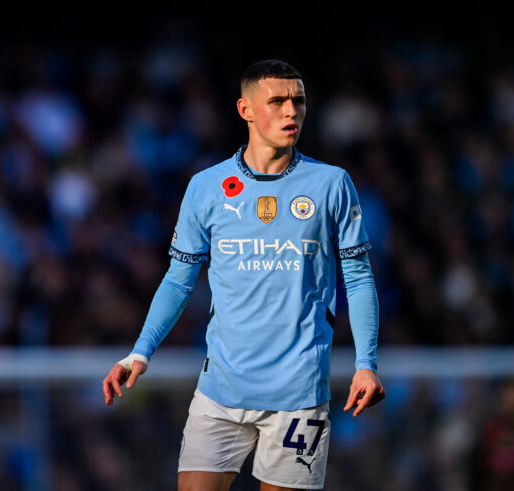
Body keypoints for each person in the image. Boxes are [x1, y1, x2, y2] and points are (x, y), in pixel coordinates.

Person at [102, 59, 386, 491]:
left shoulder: (331, 184)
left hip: (299, 396)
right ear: (245, 109)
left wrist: (366, 364)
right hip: (220, 391)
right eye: (277, 101)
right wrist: (140, 352)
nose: (291, 111)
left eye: (298, 101)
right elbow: (179, 280)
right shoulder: (206, 187)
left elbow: (359, 278)